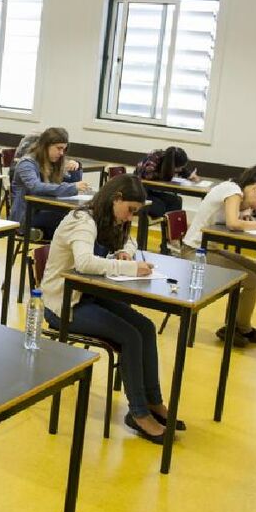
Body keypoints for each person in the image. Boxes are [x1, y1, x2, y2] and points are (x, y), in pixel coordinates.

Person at [41, 174, 180, 443]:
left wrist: (122, 253)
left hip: (88, 296)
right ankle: (138, 414)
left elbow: (128, 242)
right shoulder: (82, 220)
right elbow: (84, 263)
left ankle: (153, 402)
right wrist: (129, 266)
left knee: (146, 327)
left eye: (135, 213)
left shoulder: (108, 219)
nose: (130, 218)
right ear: (115, 199)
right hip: (64, 305)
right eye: (130, 211)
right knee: (129, 336)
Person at [181, 165, 256, 347]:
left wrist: (247, 215)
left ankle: (235, 326)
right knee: (253, 281)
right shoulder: (233, 191)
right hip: (195, 252)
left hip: (210, 248)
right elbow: (233, 223)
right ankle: (241, 328)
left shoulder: (236, 192)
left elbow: (234, 218)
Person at [10, 127, 90, 239]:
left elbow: (72, 183)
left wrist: (76, 168)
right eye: (59, 148)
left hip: (46, 210)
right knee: (73, 219)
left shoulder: (52, 162)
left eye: (64, 149)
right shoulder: (27, 163)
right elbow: (36, 187)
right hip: (27, 217)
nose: (62, 153)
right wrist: (72, 187)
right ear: (45, 145)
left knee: (79, 218)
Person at [134, 146, 200, 254]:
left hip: (152, 192)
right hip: (140, 191)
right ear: (172, 164)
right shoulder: (153, 160)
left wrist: (191, 176)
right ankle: (170, 240)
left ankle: (169, 243)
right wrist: (167, 174)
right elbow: (147, 176)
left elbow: (183, 171)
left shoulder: (171, 161)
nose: (179, 170)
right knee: (161, 208)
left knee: (176, 201)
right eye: (178, 168)